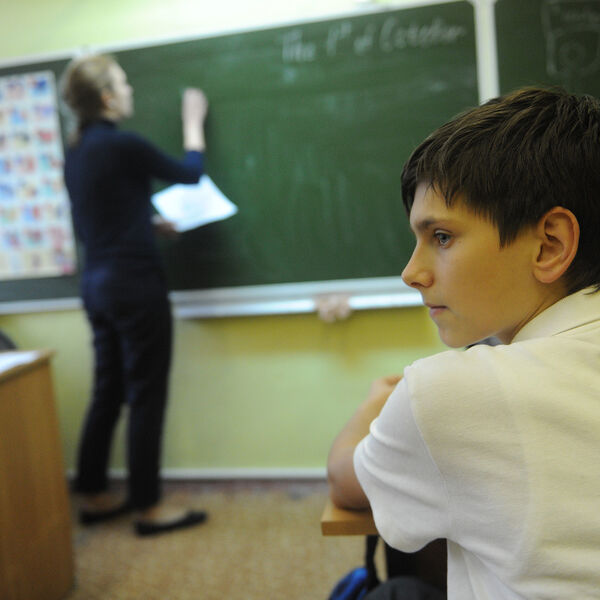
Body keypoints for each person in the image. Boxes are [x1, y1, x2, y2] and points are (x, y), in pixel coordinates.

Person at [327, 87, 600, 598]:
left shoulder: (448, 393)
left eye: (442, 237)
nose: (411, 273)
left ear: (550, 244)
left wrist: (374, 403)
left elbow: (345, 482)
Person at [60, 54, 208, 536]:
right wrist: (193, 122)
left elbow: (103, 213)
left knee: (109, 389)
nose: (130, 91)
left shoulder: (77, 150)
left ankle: (94, 493)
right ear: (106, 98)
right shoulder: (123, 144)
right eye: (123, 84)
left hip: (97, 284)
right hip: (134, 284)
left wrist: (148, 224)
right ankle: (148, 507)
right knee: (147, 393)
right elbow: (190, 173)